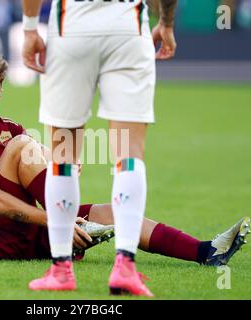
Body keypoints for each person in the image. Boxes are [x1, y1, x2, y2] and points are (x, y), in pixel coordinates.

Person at [0, 52, 251, 270]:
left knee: (114, 212)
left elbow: (49, 157)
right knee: (21, 146)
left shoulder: (7, 127)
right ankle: (66, 224)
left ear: (0, 92)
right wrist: (58, 219)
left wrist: (63, 168)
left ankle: (207, 252)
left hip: (24, 230)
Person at [21, 0, 181, 296]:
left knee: (63, 157)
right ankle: (125, 266)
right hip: (128, 27)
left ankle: (60, 269)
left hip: (72, 25)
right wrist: (167, 23)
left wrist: (30, 27)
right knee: (129, 155)